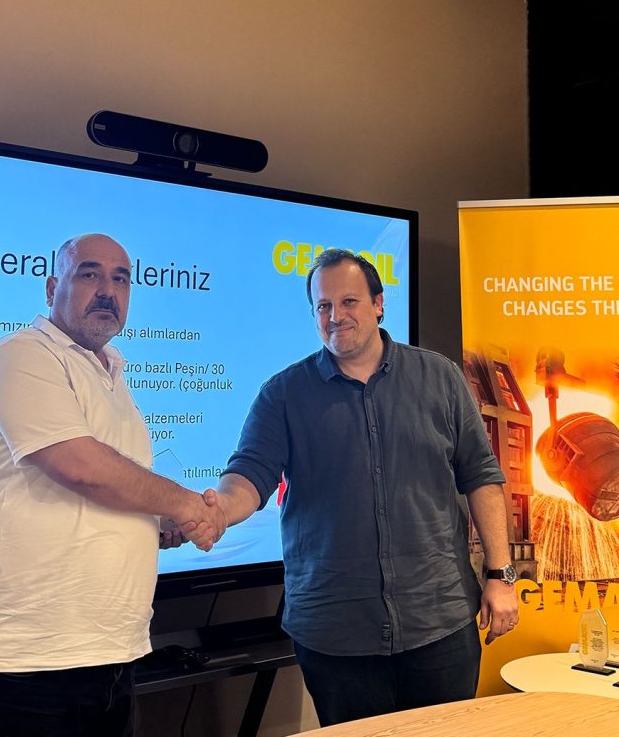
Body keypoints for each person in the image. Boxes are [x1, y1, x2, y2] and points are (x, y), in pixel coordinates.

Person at [198, 248, 519, 725]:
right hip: (335, 633)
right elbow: (251, 472)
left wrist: (501, 576)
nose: (335, 316)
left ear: (379, 304)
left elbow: (482, 477)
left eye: (348, 301)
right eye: (323, 306)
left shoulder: (440, 378)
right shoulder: (283, 394)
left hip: (440, 623)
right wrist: (220, 509)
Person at [0, 232, 226, 737]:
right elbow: (82, 466)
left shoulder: (112, 373)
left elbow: (112, 487)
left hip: (111, 653)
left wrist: (156, 520)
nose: (108, 290)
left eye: (120, 279)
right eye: (89, 274)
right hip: (30, 664)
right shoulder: (22, 355)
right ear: (51, 288)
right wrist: (186, 504)